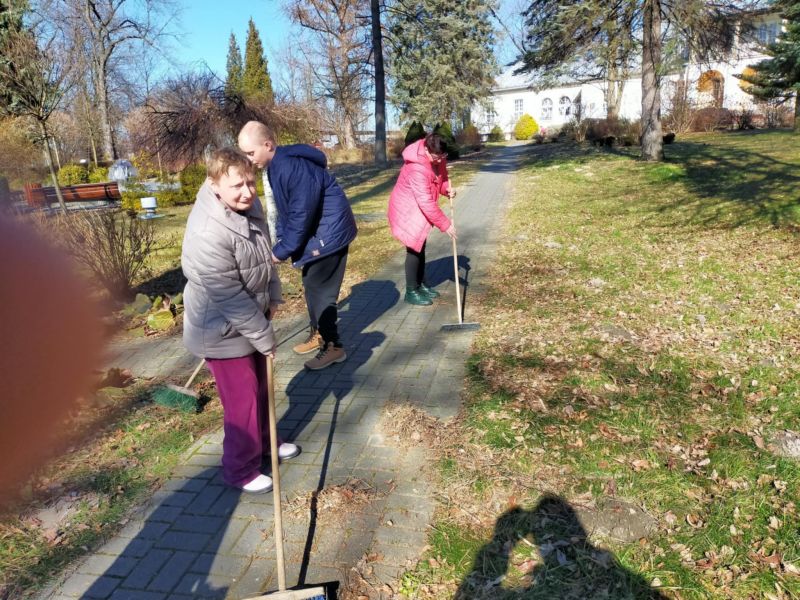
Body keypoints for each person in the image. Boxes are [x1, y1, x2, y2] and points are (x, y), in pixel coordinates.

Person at [181, 147, 298, 494]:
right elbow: (229, 298)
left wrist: (274, 294)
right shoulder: (208, 232)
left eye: (250, 182)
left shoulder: (249, 206)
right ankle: (239, 468)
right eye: (237, 186)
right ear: (214, 185)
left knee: (261, 387)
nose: (247, 191)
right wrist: (265, 337)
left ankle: (265, 443)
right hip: (219, 329)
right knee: (242, 400)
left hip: (250, 317)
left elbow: (264, 256)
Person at [238, 121, 358, 370]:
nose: (249, 160)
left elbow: (301, 214)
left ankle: (334, 346)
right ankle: (319, 334)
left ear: (267, 145)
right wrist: (282, 241)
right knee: (311, 284)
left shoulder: (291, 166)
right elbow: (286, 209)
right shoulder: (275, 166)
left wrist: (282, 251)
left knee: (321, 291)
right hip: (318, 231)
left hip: (329, 233)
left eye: (251, 153)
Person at [387, 133, 457, 306]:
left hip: (419, 205)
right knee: (413, 248)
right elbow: (425, 202)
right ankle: (411, 291)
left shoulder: (437, 158)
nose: (441, 160)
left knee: (421, 246)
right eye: (437, 156)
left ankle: (422, 285)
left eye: (443, 156)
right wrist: (445, 225)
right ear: (426, 149)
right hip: (407, 208)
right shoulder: (416, 168)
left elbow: (440, 179)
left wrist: (447, 189)